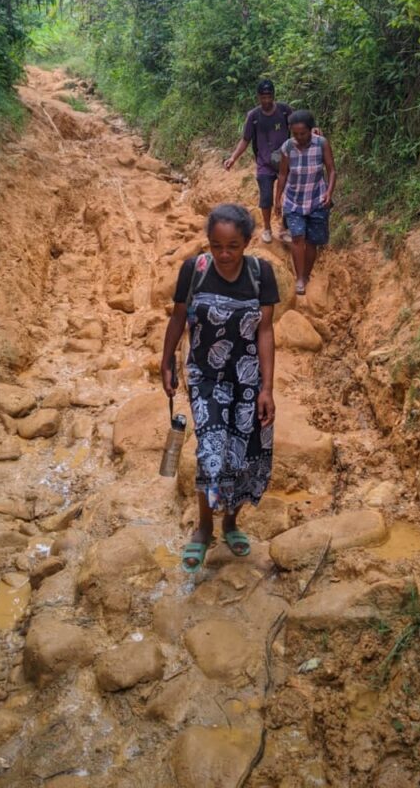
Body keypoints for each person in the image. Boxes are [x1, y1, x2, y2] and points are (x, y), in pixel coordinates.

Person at [160, 203, 279, 572]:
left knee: (245, 455)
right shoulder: (193, 271)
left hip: (248, 380)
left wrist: (267, 388)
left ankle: (230, 523)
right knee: (210, 452)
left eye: (233, 247)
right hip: (205, 377)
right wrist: (166, 361)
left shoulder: (261, 274)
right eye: (216, 246)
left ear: (247, 242)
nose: (224, 255)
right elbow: (179, 317)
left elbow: (265, 331)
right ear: (208, 242)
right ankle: (204, 528)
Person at [274, 109, 336, 296]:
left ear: (311, 130)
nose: (299, 137)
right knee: (297, 237)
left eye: (303, 133)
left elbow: (331, 170)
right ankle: (299, 278)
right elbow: (283, 174)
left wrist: (329, 192)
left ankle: (306, 274)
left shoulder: (321, 144)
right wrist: (278, 199)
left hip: (317, 199)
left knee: (312, 242)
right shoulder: (287, 147)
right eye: (295, 134)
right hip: (294, 201)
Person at [224, 79, 293, 244]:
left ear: (274, 95)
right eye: (263, 97)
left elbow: (299, 125)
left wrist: (313, 129)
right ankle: (267, 228)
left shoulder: (284, 110)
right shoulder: (254, 116)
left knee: (290, 196)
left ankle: (285, 228)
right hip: (264, 164)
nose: (267, 101)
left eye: (269, 97)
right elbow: (245, 140)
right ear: (258, 97)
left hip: (285, 163)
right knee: (266, 198)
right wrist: (233, 158)